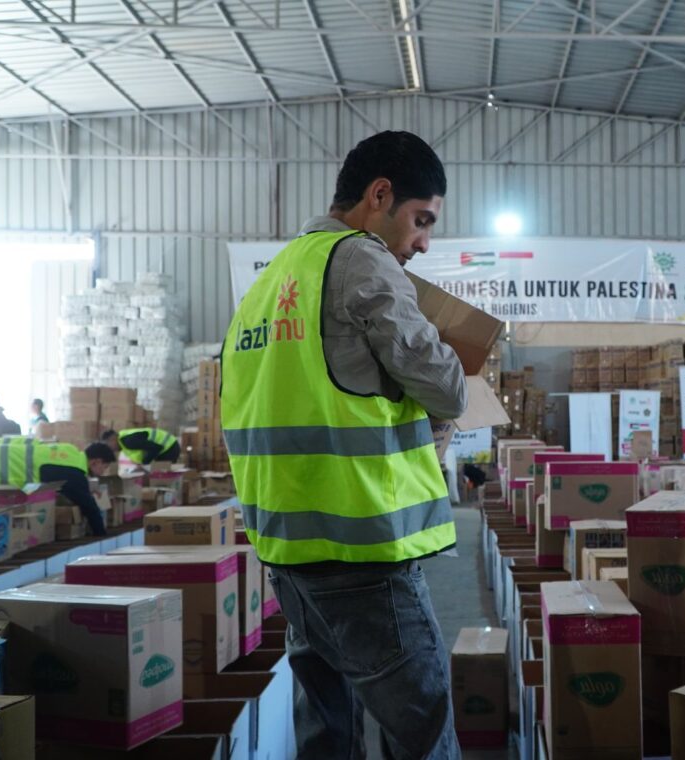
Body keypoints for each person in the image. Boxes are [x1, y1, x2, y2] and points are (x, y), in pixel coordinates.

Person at [220, 131, 466, 760]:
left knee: (329, 730)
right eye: (421, 220)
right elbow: (444, 384)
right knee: (422, 729)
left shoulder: (273, 278)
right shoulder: (358, 257)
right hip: (361, 552)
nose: (423, 242)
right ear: (379, 195)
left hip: (289, 551)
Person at [0, 438, 114, 536]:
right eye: (104, 466)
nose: (104, 471)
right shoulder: (75, 473)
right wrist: (101, 535)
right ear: (96, 462)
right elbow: (89, 507)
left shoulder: (72, 453)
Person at [101, 428, 180, 466]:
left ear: (113, 439)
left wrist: (144, 464)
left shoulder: (128, 441)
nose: (110, 449)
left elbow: (156, 448)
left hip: (169, 447)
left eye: (109, 445)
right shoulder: (123, 443)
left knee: (160, 476)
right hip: (168, 447)